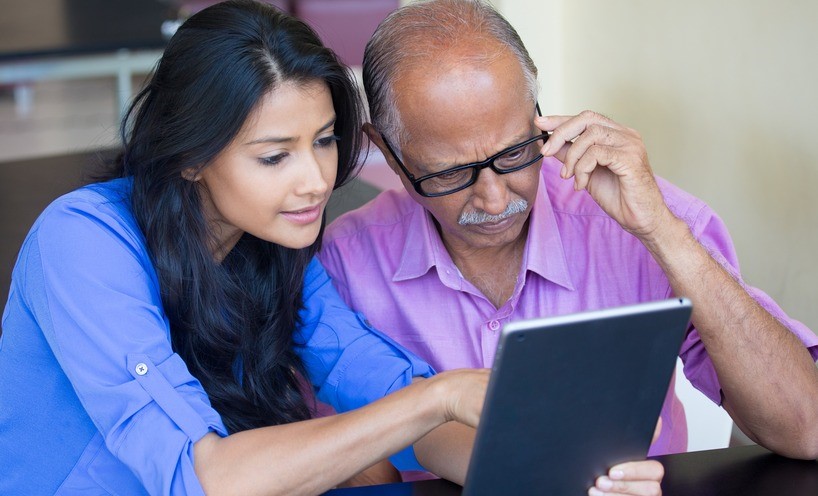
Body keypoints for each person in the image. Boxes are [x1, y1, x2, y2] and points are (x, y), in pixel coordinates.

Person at [0, 2, 495, 494]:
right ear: (191, 155)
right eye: (275, 156)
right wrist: (438, 396)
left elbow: (378, 379)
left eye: (324, 141)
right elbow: (200, 478)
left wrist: (545, 469)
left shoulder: (270, 243)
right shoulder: (83, 241)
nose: (317, 182)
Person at [318, 0, 818, 481]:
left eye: (515, 153)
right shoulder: (344, 263)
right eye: (450, 174)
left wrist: (664, 235)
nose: (494, 200)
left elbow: (806, 427)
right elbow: (343, 455)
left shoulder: (642, 220)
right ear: (385, 149)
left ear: (539, 113)